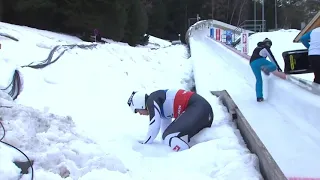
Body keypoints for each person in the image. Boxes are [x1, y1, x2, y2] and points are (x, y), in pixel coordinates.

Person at [127, 89, 213, 152]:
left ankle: (188, 158)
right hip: (204, 112)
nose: (139, 114)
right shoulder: (160, 103)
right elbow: (165, 131)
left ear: (140, 105)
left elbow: (154, 125)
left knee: (169, 136)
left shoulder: (152, 100)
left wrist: (145, 145)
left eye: (137, 110)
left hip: (199, 108)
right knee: (168, 137)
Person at [249, 38, 282, 102]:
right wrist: (278, 68)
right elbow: (272, 58)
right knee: (273, 66)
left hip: (252, 63)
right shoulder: (266, 47)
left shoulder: (257, 47)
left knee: (259, 80)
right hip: (260, 60)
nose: (269, 45)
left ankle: (259, 97)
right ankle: (266, 68)